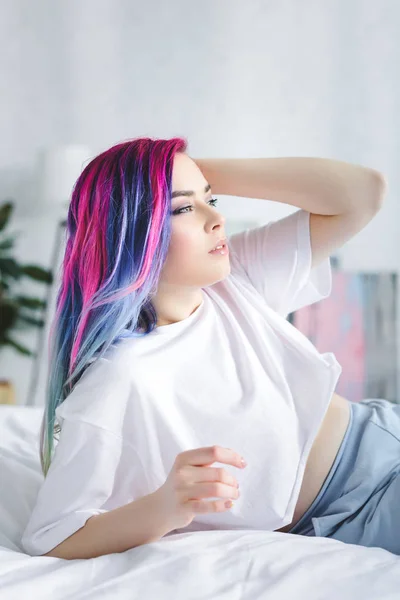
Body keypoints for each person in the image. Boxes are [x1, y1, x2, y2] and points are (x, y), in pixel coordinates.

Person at [21, 137, 396, 560]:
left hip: (383, 431)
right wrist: (164, 508)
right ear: (129, 232)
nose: (217, 217)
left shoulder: (234, 277)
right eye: (183, 208)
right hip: (351, 509)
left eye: (211, 198)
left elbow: (364, 192)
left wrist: (182, 169)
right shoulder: (118, 375)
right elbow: (50, 535)